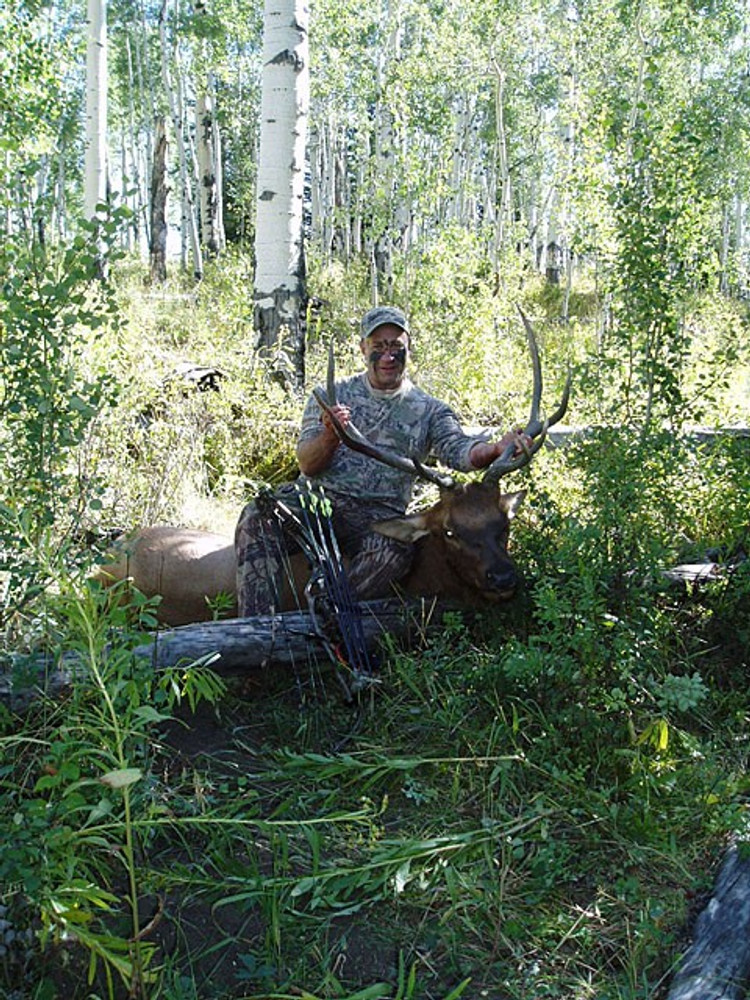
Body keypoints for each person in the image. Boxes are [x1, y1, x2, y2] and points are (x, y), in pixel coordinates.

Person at [235, 305, 526, 615]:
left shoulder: (430, 410)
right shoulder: (330, 395)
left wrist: (493, 449)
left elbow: (458, 448)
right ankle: (258, 626)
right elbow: (307, 463)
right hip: (316, 503)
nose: (388, 356)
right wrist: (330, 436)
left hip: (376, 515)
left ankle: (330, 613)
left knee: (396, 550)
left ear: (408, 349)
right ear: (363, 349)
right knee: (257, 516)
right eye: (379, 347)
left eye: (396, 347)